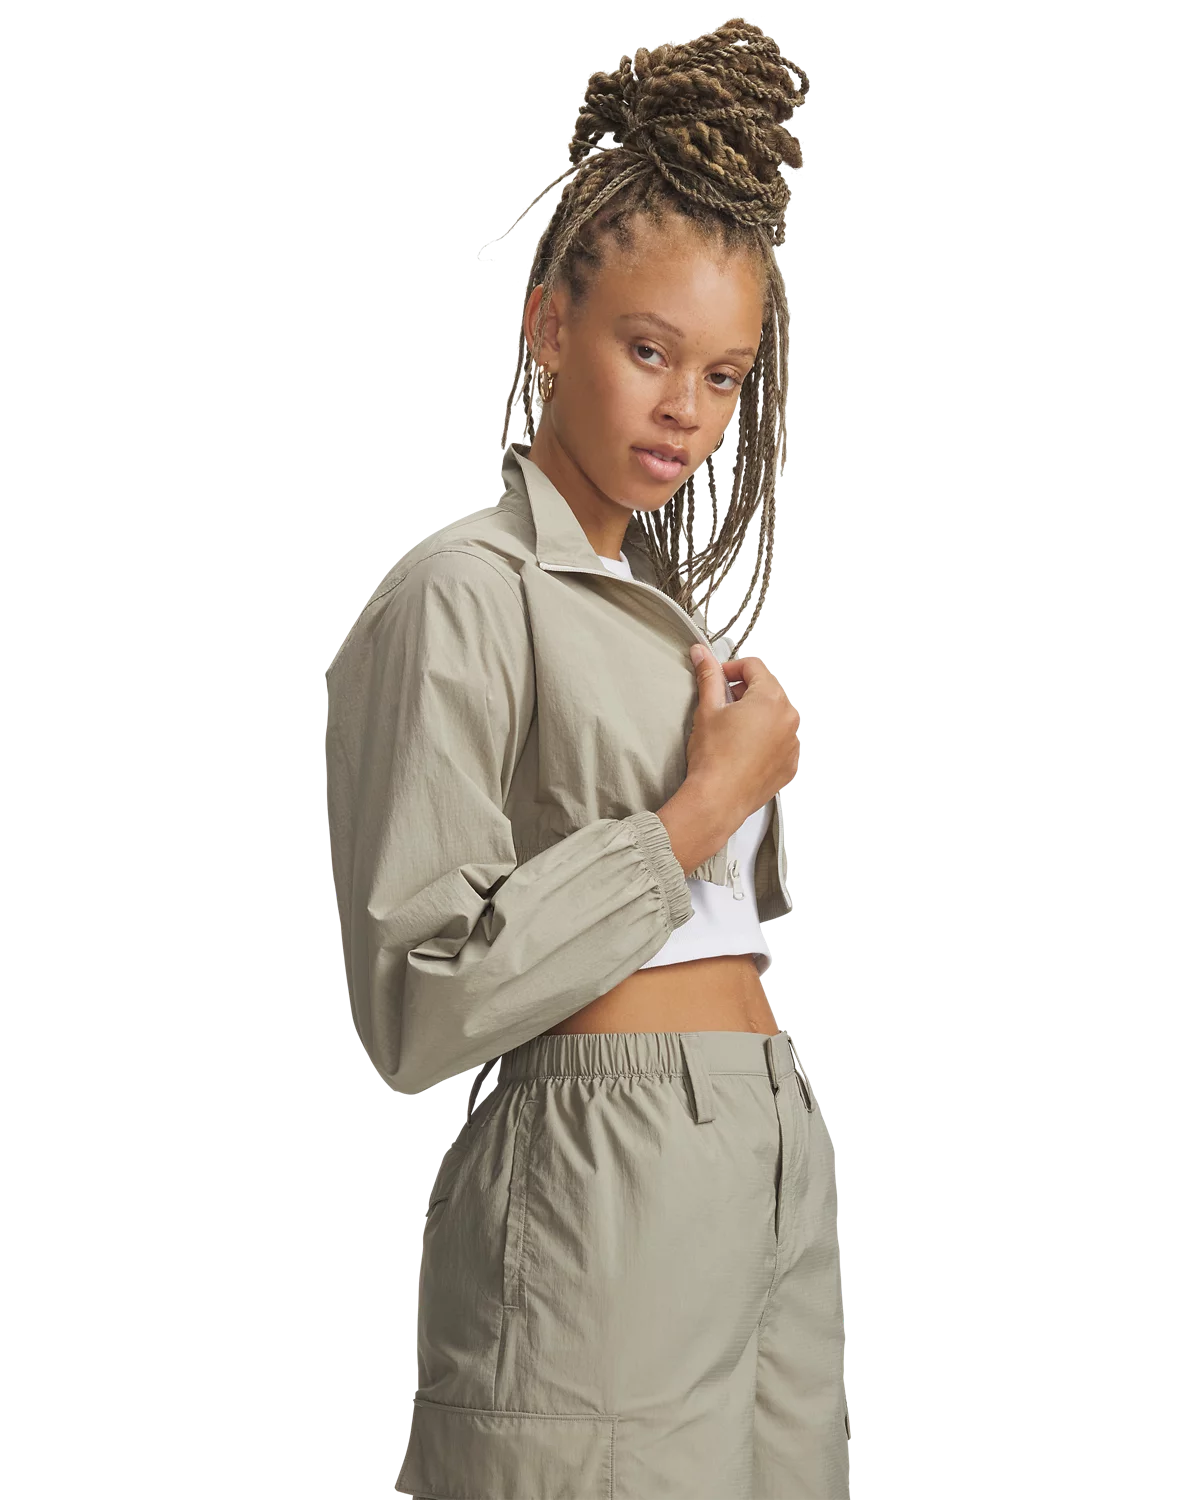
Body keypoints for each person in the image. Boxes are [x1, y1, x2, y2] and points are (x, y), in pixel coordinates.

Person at [324, 17, 851, 1498]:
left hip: (767, 1159)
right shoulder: (460, 594)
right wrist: (707, 804)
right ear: (549, 327)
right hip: (599, 1179)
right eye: (649, 349)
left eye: (727, 375)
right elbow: (420, 1003)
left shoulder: (656, 617)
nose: (689, 409)